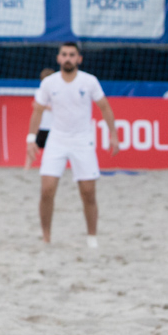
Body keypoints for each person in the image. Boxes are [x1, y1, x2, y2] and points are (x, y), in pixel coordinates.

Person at [28, 42, 120, 247]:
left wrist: (113, 134)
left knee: (88, 192)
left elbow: (104, 107)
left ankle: (92, 237)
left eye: (72, 54)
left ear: (79, 59)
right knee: (47, 190)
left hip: (82, 140)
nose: (68, 58)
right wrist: (30, 139)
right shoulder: (49, 83)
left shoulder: (89, 81)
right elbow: (37, 110)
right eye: (64, 54)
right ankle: (46, 237)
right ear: (58, 58)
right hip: (57, 139)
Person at [24, 67, 57, 171]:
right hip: (42, 125)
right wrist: (42, 106)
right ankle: (27, 168)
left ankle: (52, 169)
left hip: (53, 126)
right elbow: (37, 108)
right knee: (32, 147)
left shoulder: (57, 93)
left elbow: (56, 108)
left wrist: (42, 106)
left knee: (53, 151)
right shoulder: (39, 92)